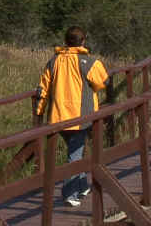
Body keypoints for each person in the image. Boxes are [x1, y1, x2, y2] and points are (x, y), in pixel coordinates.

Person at [35, 26, 109, 207]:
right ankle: (69, 193)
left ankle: (82, 185)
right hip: (80, 118)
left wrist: (39, 111)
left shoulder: (53, 62)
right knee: (75, 155)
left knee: (76, 152)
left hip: (58, 116)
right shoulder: (89, 62)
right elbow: (103, 82)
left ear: (65, 41)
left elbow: (43, 89)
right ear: (83, 41)